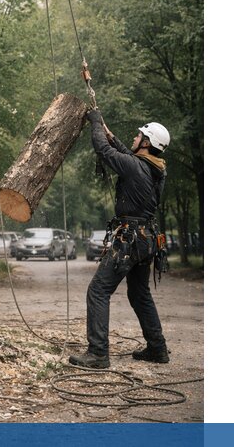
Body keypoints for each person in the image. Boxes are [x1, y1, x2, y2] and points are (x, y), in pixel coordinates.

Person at [69, 112, 171, 369]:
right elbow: (128, 155)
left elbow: (103, 151)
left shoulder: (136, 166)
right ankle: (157, 349)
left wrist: (94, 124)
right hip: (146, 240)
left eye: (139, 136)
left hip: (130, 240)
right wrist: (108, 130)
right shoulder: (156, 169)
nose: (135, 138)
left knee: (98, 290)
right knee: (139, 294)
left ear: (146, 143)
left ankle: (98, 353)